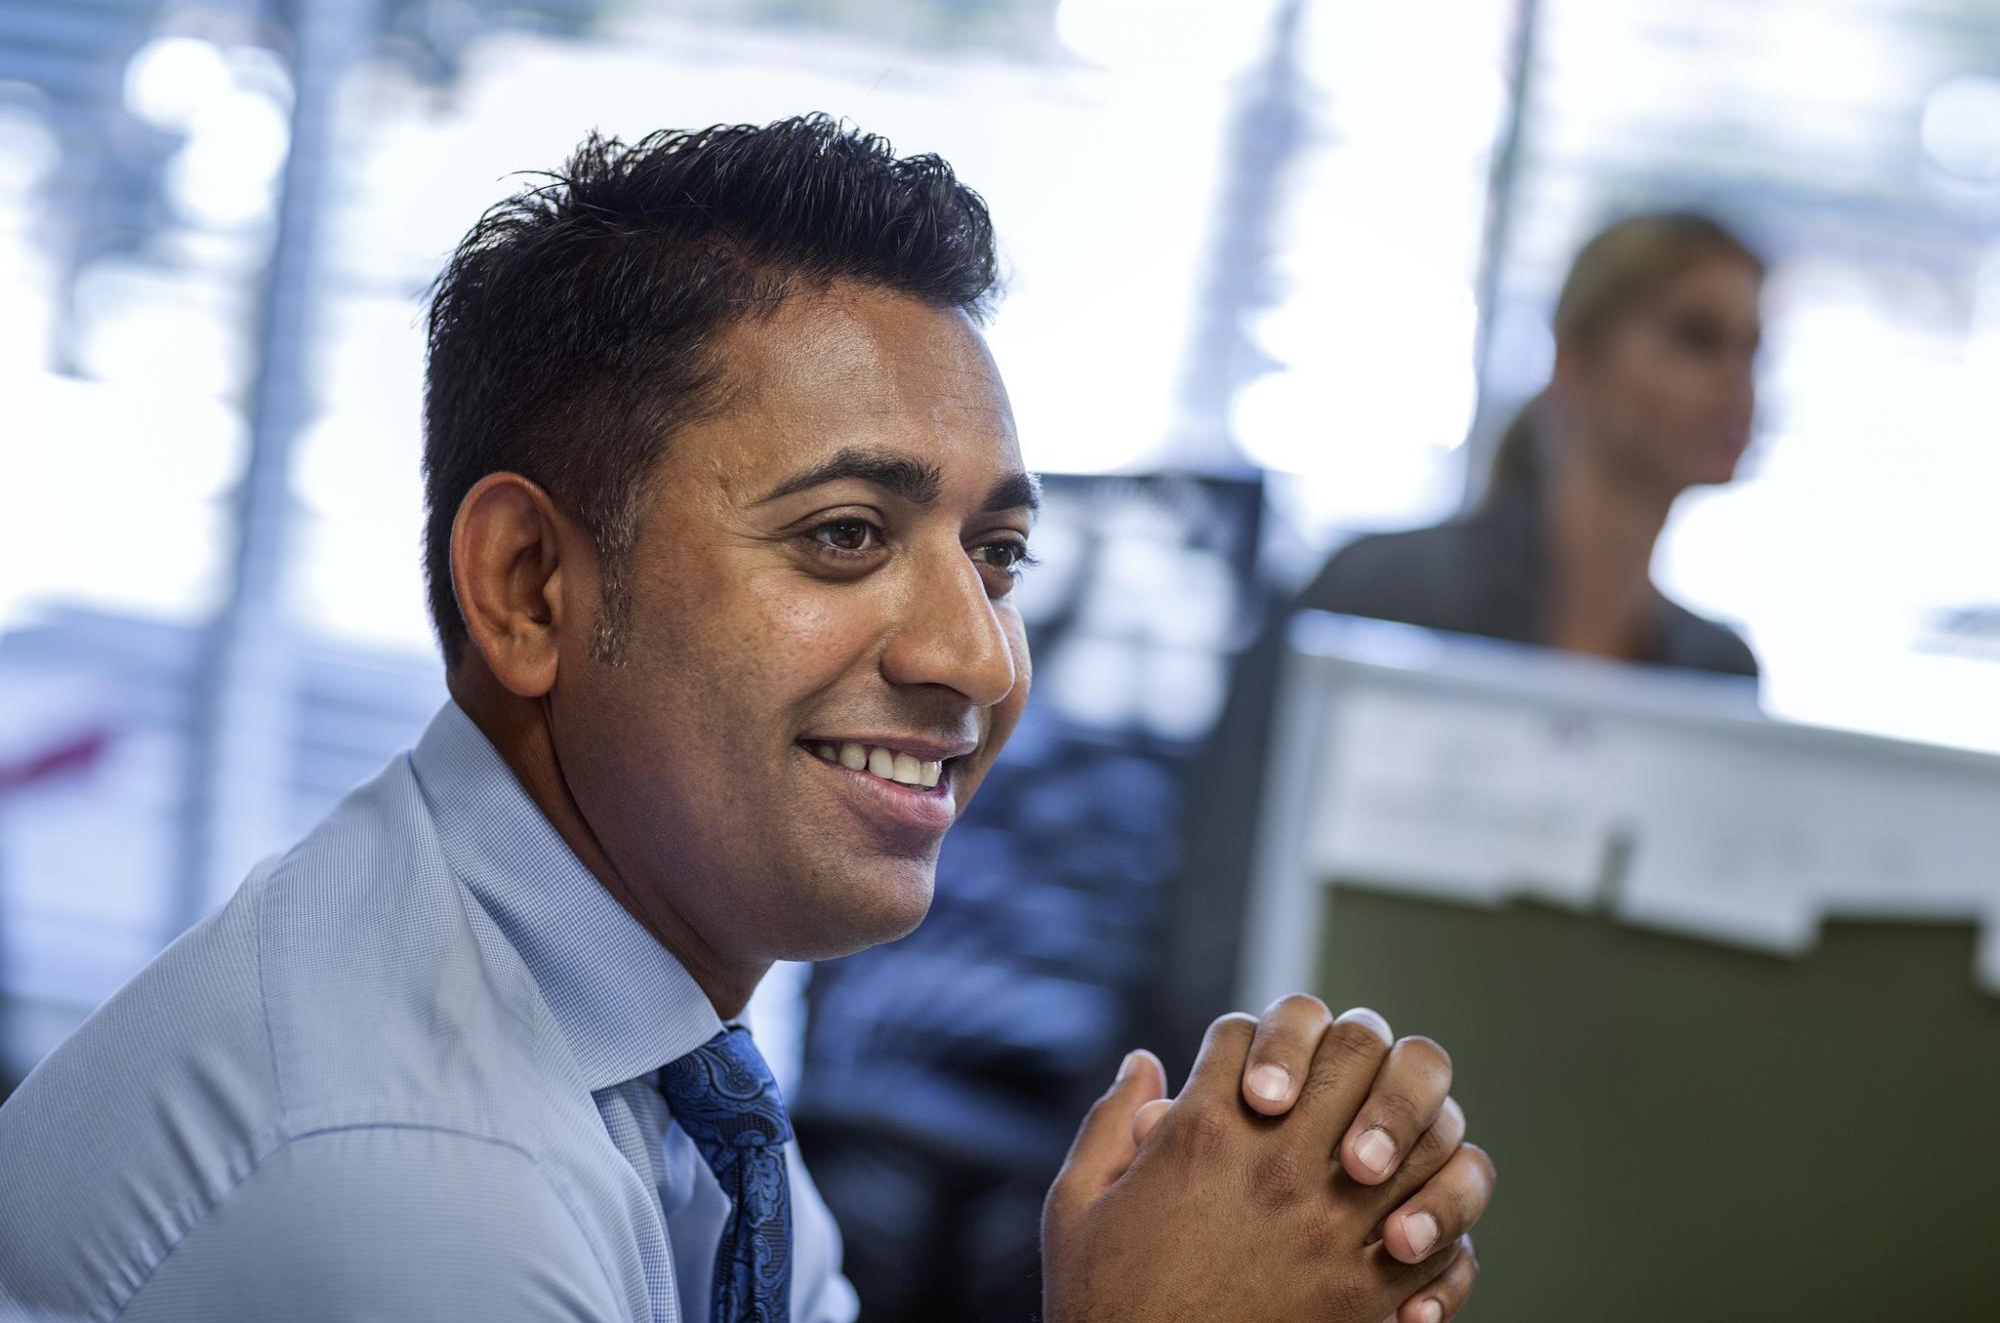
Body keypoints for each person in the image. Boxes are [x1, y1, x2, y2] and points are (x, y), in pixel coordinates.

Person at [0, 118, 1492, 1323]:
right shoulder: (425, 1190)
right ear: (528, 587)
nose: (979, 657)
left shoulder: (649, 1038)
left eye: (999, 559)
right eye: (845, 535)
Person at [1306, 211, 1765, 677]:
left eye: (1750, 350)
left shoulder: (1717, 672)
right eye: (1696, 339)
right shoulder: (1381, 595)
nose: (1737, 385)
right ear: (1573, 362)